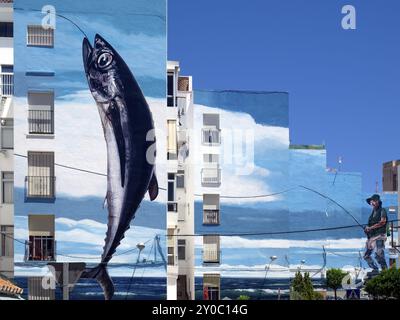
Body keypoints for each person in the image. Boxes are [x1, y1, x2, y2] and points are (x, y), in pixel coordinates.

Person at [363, 194, 388, 274]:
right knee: (366, 256)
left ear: (377, 202)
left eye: (373, 201)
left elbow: (382, 222)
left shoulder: (382, 210)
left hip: (380, 235)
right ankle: (375, 269)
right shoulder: (372, 213)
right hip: (372, 237)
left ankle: (385, 271)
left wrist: (370, 228)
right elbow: (370, 226)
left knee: (379, 254)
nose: (372, 203)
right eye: (371, 202)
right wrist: (367, 229)